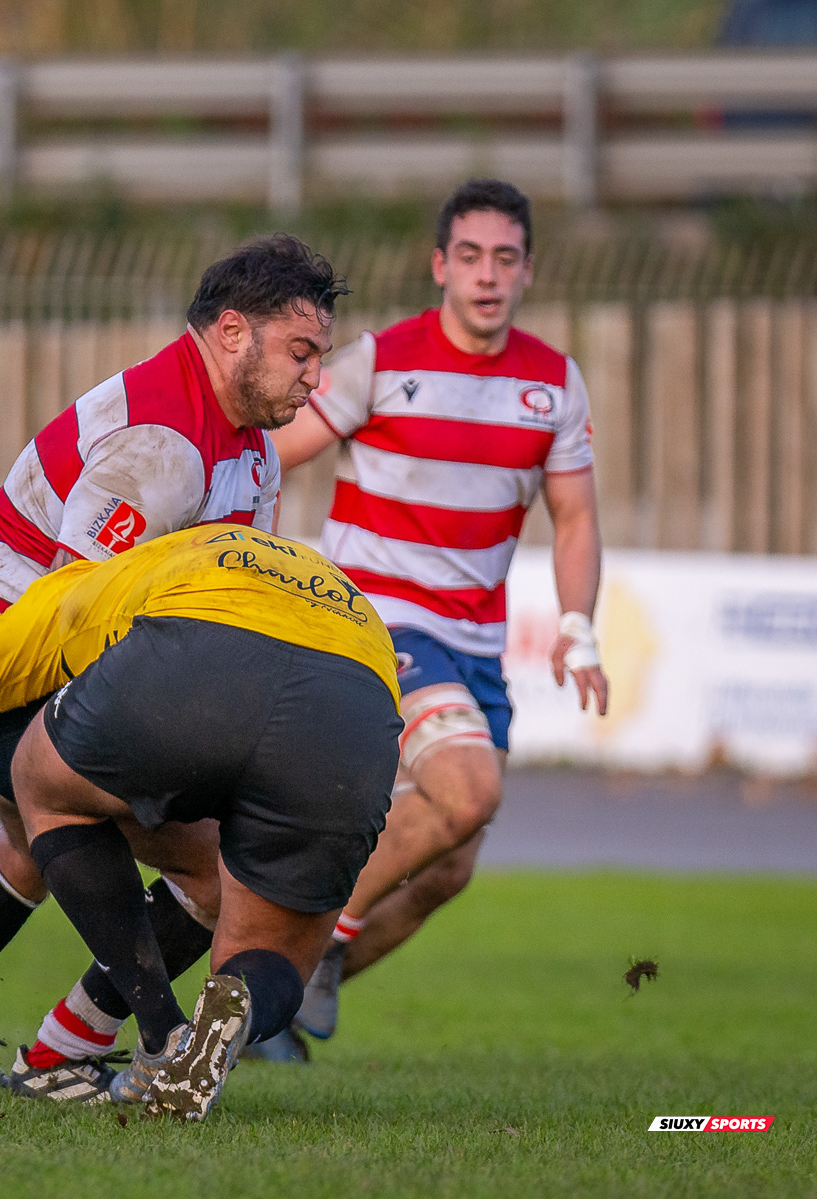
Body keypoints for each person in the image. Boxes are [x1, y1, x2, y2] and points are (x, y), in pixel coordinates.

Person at [0, 235, 347, 1098]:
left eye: (321, 357)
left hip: (30, 646)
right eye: (301, 352)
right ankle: (106, 1045)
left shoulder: (252, 448)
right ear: (233, 333)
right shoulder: (161, 443)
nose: (316, 380)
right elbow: (71, 617)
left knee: (35, 839)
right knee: (193, 859)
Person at [0, 523, 402, 1119]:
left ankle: (160, 1033)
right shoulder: (280, 564)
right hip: (356, 696)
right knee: (262, 940)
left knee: (42, 778)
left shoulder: (77, 590)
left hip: (201, 654)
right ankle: (228, 1008)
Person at [266, 178, 609, 1054]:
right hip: (373, 622)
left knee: (449, 863)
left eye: (504, 258)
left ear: (527, 270)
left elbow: (575, 519)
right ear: (439, 266)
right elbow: (271, 455)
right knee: (471, 792)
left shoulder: (552, 384)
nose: (486, 275)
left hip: (475, 646)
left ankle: (273, 1013)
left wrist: (578, 628)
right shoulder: (383, 361)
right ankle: (302, 956)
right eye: (469, 257)